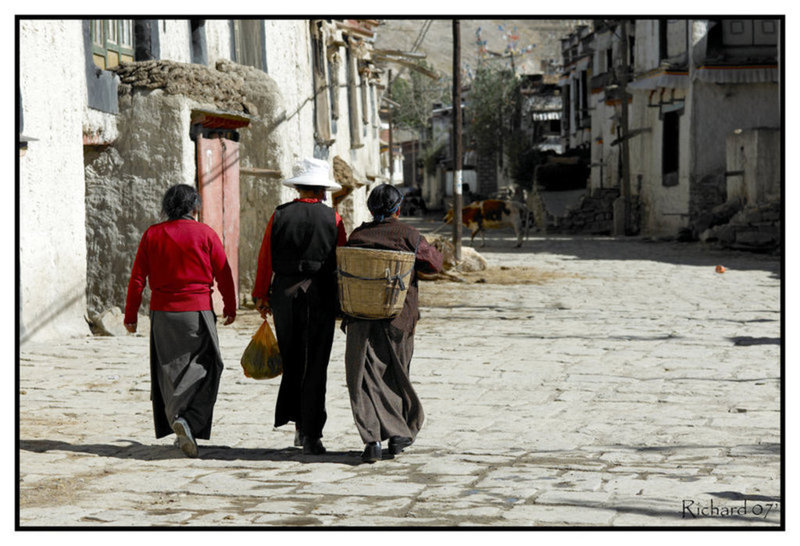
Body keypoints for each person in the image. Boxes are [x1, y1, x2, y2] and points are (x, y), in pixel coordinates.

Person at [124, 184, 236, 458]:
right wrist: (230, 306)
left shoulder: (152, 234)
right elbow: (223, 272)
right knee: (209, 365)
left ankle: (181, 422)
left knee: (169, 370)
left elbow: (138, 278)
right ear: (195, 207)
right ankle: (187, 420)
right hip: (197, 313)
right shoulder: (205, 234)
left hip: (162, 315)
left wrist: (131, 315)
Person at [343, 184, 443, 463]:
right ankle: (400, 434)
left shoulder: (357, 236)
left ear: (370, 209)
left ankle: (372, 440)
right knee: (397, 375)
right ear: (398, 209)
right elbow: (435, 264)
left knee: (364, 379)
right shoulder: (409, 235)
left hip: (360, 318)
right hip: (398, 319)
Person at [252, 157, 346, 455]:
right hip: (321, 296)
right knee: (316, 363)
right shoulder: (334, 219)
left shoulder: (279, 215)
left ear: (299, 188)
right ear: (322, 190)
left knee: (292, 360)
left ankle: (298, 424)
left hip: (285, 296)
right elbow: (342, 262)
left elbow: (265, 258)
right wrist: (344, 303)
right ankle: (311, 433)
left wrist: (261, 295)